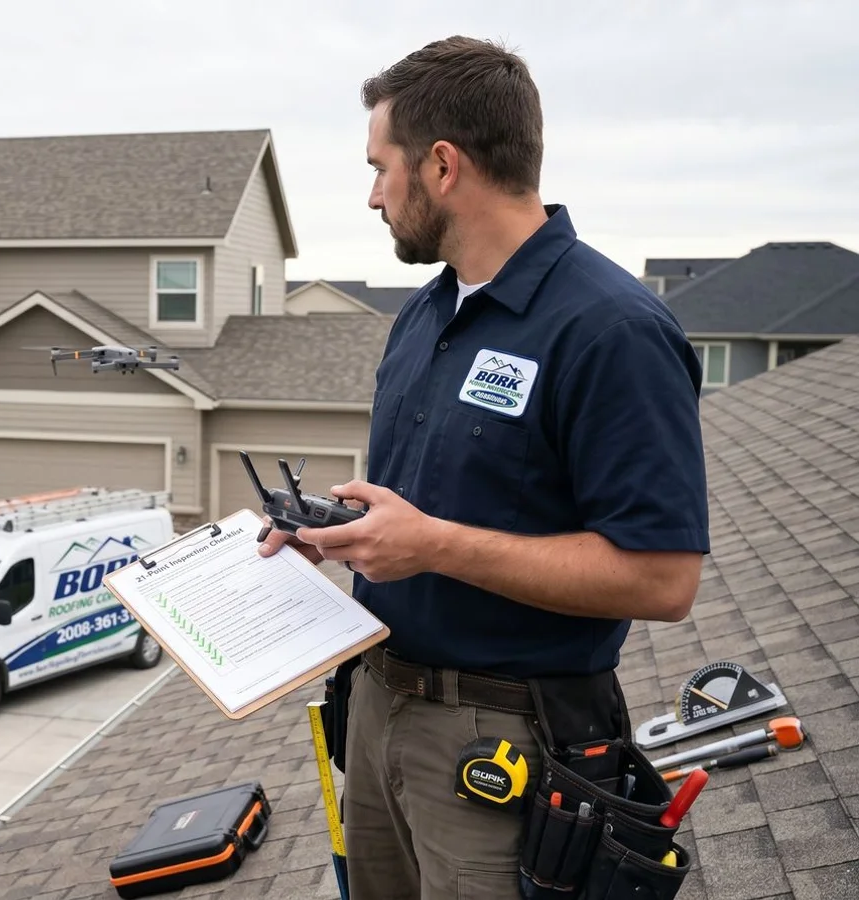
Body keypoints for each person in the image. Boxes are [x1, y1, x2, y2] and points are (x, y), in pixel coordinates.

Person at [258, 36, 710, 899]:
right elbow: (429, 516)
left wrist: (432, 547)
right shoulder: (424, 315)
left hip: (500, 741)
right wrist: (341, 539)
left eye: (380, 167)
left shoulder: (609, 331)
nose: (371, 195)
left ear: (441, 165)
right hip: (378, 705)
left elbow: (662, 579)